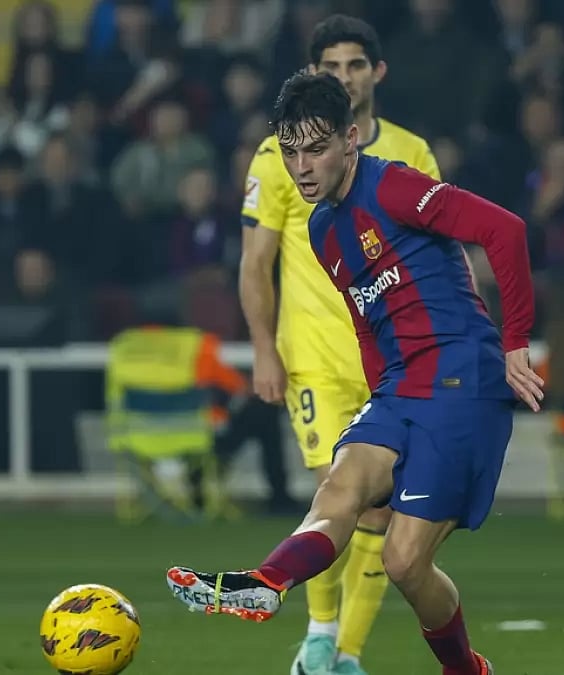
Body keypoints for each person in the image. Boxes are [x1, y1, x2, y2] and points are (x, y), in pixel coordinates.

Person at [166, 73, 542, 675]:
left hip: (460, 379)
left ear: (350, 139)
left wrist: (516, 340)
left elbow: (505, 230)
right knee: (339, 488)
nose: (302, 167)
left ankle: (466, 670)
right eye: (291, 152)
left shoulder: (392, 185)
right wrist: (380, 398)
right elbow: (367, 320)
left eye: (315, 149)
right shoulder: (321, 229)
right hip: (400, 388)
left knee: (403, 563)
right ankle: (265, 582)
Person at [237, 14, 440, 675]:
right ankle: (320, 632)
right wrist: (264, 347)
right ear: (314, 74)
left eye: (356, 65)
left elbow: (435, 253)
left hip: (393, 363)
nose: (344, 77)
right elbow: (255, 260)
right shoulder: (279, 155)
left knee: (379, 514)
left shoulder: (411, 151)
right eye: (331, 67)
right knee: (335, 489)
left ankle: (345, 653)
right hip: (316, 359)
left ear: (377, 73)